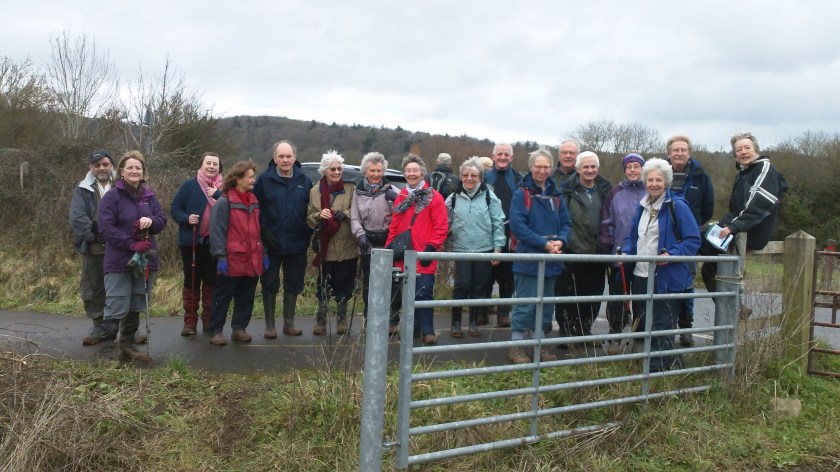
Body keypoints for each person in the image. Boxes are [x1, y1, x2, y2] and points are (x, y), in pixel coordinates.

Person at [621, 157, 701, 371]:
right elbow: (633, 237)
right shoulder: (642, 207)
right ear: (645, 182)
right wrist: (626, 252)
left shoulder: (677, 206)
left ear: (666, 182)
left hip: (666, 276)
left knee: (662, 325)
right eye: (650, 180)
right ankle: (655, 366)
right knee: (642, 321)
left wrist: (672, 254)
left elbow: (693, 239)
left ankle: (658, 374)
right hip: (640, 274)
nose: (654, 184)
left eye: (659, 180)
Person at [700, 132, 788, 314]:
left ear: (756, 149)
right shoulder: (744, 173)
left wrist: (734, 226)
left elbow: (760, 203)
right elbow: (736, 208)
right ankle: (736, 311)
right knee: (708, 268)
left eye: (747, 147)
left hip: (750, 232)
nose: (744, 152)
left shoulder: (764, 169)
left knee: (696, 243)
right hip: (736, 228)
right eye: (739, 149)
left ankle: (731, 311)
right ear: (735, 155)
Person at [97, 151, 167, 362]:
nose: (134, 171)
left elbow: (161, 220)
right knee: (116, 304)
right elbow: (105, 228)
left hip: (145, 259)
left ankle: (126, 346)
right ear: (121, 171)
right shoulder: (112, 197)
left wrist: (151, 222)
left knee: (136, 303)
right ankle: (107, 350)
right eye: (130, 167)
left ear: (143, 172)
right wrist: (131, 244)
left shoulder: (149, 196)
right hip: (118, 260)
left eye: (138, 168)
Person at [508, 149, 572, 364]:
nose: (542, 170)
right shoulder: (522, 194)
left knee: (546, 306)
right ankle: (517, 346)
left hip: (552, 260)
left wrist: (561, 241)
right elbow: (518, 226)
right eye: (538, 166)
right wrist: (544, 244)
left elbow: (566, 223)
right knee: (525, 304)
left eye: (546, 166)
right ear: (531, 167)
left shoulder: (557, 195)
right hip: (528, 259)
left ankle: (539, 345)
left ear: (551, 168)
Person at [385, 153, 448, 345]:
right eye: (408, 170)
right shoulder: (402, 197)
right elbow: (394, 224)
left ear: (422, 173)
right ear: (404, 173)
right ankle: (411, 329)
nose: (411, 174)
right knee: (404, 294)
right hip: (403, 254)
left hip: (423, 253)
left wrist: (431, 248)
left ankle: (428, 330)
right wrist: (389, 246)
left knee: (423, 292)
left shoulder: (434, 197)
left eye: (415, 170)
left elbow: (441, 226)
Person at [254, 140, 313, 338]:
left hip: (297, 242)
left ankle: (289, 324)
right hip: (271, 243)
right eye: (281, 156)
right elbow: (257, 209)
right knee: (269, 283)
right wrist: (264, 230)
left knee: (294, 283)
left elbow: (310, 210)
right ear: (275, 158)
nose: (285, 160)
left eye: (288, 156)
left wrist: (306, 231)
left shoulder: (304, 180)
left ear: (294, 158)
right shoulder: (263, 180)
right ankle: (270, 326)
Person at [556, 151, 612, 348]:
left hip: (597, 253)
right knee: (567, 294)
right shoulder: (566, 191)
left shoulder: (605, 191)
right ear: (578, 169)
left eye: (593, 166)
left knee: (593, 294)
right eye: (585, 167)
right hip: (572, 251)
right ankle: (565, 332)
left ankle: (583, 330)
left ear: (598, 168)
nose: (590, 170)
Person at [445, 157, 506, 338]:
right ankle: (455, 323)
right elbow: (443, 222)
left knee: (479, 286)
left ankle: (473, 322)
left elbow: (498, 223)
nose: (469, 178)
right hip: (461, 248)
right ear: (460, 177)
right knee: (462, 284)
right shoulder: (453, 198)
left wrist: (498, 249)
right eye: (465, 175)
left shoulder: (489, 197)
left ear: (480, 177)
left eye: (473, 175)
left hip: (484, 249)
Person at [208, 161, 267, 346]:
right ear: (239, 179)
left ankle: (239, 328)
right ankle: (216, 331)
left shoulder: (254, 201)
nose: (254, 180)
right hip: (231, 259)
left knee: (246, 295)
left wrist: (264, 253)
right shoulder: (224, 202)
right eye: (250, 177)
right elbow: (217, 231)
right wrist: (220, 257)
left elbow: (258, 231)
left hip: (252, 258)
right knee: (222, 296)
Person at [666, 135, 715, 346]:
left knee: (686, 284)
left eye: (683, 150)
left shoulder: (700, 176)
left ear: (689, 153)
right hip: (664, 237)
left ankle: (686, 328)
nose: (679, 153)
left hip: (689, 241)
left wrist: (691, 227)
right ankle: (666, 328)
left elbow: (708, 207)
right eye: (675, 150)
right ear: (668, 153)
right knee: (664, 283)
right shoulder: (661, 173)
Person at [597, 153, 647, 351]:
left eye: (636, 166)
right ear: (624, 170)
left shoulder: (651, 189)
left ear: (642, 168)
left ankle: (639, 338)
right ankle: (615, 334)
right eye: (629, 167)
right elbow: (607, 221)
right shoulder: (615, 192)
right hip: (619, 254)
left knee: (641, 297)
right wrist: (607, 245)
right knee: (617, 297)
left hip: (644, 254)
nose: (633, 170)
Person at [170, 152, 223, 336]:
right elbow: (175, 209)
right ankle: (190, 322)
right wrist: (186, 218)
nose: (211, 166)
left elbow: (232, 208)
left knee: (211, 282)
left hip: (215, 244)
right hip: (191, 243)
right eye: (208, 163)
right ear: (201, 165)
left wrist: (218, 194)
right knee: (191, 281)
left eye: (215, 164)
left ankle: (209, 320)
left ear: (219, 168)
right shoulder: (189, 185)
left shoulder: (224, 188)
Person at [307, 151, 358, 335]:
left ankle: (342, 320)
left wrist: (345, 213)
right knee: (323, 286)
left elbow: (358, 212)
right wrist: (319, 215)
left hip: (347, 247)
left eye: (339, 168)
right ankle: (321, 320)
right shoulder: (315, 191)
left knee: (344, 285)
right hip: (326, 248)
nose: (336, 172)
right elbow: (309, 219)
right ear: (324, 171)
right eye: (332, 169)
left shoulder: (350, 188)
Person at [69, 149, 117, 346]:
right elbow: (77, 218)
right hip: (93, 247)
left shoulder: (123, 185)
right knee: (94, 287)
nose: (102, 168)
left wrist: (116, 236)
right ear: (91, 167)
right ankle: (98, 326)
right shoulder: (82, 189)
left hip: (119, 247)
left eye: (105, 164)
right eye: (97, 165)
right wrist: (96, 235)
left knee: (121, 287)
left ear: (112, 165)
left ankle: (127, 328)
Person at [350, 152, 398, 329]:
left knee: (390, 283)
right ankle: (370, 320)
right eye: (372, 170)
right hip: (368, 244)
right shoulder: (358, 192)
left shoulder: (392, 190)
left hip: (388, 244)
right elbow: (354, 217)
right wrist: (360, 235)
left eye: (379, 171)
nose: (376, 174)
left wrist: (397, 200)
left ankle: (391, 321)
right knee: (369, 284)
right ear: (365, 172)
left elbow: (403, 214)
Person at [483, 142, 523, 327]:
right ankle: (482, 310)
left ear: (511, 158)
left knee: (507, 275)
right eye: (499, 154)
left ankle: (503, 312)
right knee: (485, 274)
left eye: (506, 154)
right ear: (493, 156)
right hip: (485, 231)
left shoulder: (518, 179)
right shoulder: (484, 177)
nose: (503, 157)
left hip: (510, 232)